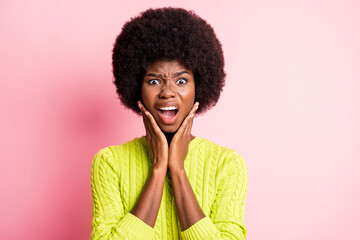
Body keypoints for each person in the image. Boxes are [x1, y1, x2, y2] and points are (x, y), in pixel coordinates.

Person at [90, 7, 248, 240]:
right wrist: (157, 169)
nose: (167, 92)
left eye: (181, 80)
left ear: (198, 88)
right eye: (154, 81)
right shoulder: (110, 162)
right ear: (137, 88)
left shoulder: (227, 164)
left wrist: (177, 170)